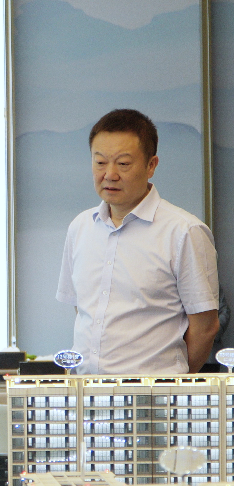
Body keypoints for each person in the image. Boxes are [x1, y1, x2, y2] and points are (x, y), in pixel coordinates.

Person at [57, 108, 220, 375]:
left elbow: (205, 327)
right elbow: (83, 310)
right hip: (86, 392)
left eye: (123, 164)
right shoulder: (80, 227)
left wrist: (169, 380)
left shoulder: (184, 231)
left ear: (151, 165)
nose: (110, 174)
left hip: (155, 395)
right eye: (100, 162)